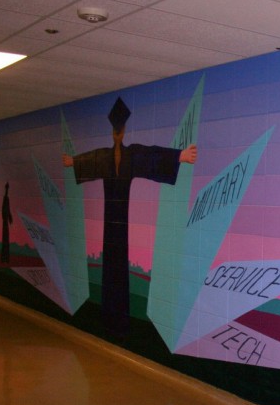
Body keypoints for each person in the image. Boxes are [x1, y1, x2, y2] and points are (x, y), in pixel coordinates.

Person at [62, 97, 197, 336]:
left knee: (118, 265)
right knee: (111, 265)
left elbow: (153, 155)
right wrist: (73, 162)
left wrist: (180, 156)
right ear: (120, 132)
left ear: (119, 132)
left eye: (118, 130)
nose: (117, 133)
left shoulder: (130, 154)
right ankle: (110, 318)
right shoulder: (106, 156)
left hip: (119, 220)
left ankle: (118, 320)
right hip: (111, 220)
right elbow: (91, 158)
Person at [1, 182, 13, 264]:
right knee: (5, 239)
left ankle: (5, 258)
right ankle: (4, 258)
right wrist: (8, 217)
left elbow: (8, 210)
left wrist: (10, 217)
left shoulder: (6, 200)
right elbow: (6, 210)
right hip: (5, 222)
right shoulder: (5, 199)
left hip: (6, 223)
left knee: (6, 239)